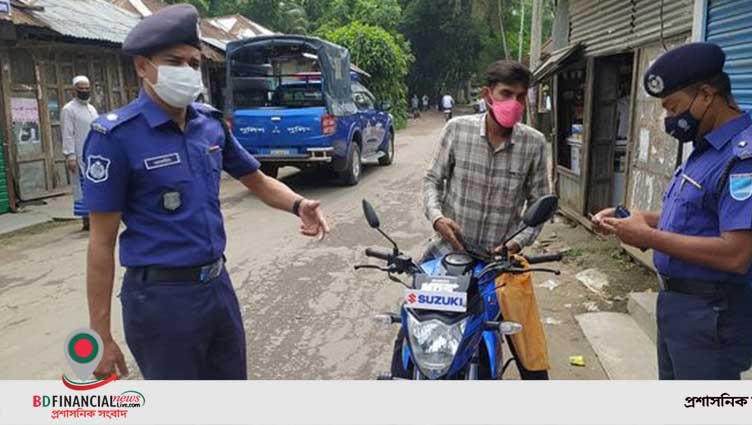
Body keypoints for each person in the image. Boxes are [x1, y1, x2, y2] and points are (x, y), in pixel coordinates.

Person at [83, 4, 330, 380]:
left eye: (194, 63)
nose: (187, 72)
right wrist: (99, 334)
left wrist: (299, 204)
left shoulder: (210, 125)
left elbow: (258, 181)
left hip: (217, 288)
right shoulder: (115, 138)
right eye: (174, 62)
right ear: (142, 67)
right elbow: (101, 243)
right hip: (161, 302)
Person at [592, 42, 752, 380]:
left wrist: (649, 236)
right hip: (681, 308)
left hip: (712, 314)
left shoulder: (747, 159)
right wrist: (631, 219)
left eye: (673, 107)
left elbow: (736, 253)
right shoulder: (706, 149)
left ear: (707, 95)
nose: (670, 119)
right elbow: (693, 218)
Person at [390, 60, 551, 380]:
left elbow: (540, 205)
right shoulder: (457, 130)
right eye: (507, 94)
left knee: (531, 359)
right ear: (488, 95)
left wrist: (517, 242)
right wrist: (437, 219)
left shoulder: (534, 143)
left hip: (501, 264)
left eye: (521, 97)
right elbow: (432, 180)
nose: (514, 104)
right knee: (412, 338)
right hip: (445, 257)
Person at [61, 75, 98, 231]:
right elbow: (67, 133)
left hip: (94, 154)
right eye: (81, 89)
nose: (84, 91)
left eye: (86, 88)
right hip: (79, 156)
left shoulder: (91, 108)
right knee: (83, 188)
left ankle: (97, 218)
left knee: (96, 186)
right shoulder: (68, 109)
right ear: (74, 91)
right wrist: (70, 156)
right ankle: (87, 221)